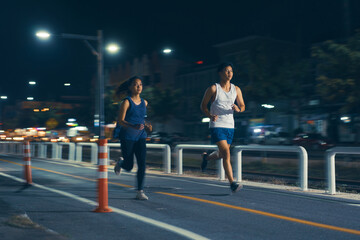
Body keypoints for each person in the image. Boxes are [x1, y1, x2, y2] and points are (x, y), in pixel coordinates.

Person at [200, 62, 245, 193]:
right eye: (226, 71)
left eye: (231, 71)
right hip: (217, 125)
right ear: (220, 73)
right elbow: (203, 106)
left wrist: (238, 108)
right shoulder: (214, 89)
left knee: (221, 154)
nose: (229, 73)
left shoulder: (236, 89)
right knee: (226, 153)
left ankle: (206, 158)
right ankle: (232, 183)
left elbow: (242, 106)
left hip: (230, 126)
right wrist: (210, 115)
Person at [114, 76, 149, 200]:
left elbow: (141, 118)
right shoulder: (127, 102)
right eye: (135, 84)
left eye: (140, 84)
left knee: (142, 164)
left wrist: (146, 125)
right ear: (130, 87)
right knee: (129, 166)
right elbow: (121, 121)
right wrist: (132, 126)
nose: (138, 87)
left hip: (140, 136)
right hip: (127, 136)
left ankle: (140, 191)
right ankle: (121, 163)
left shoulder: (145, 102)